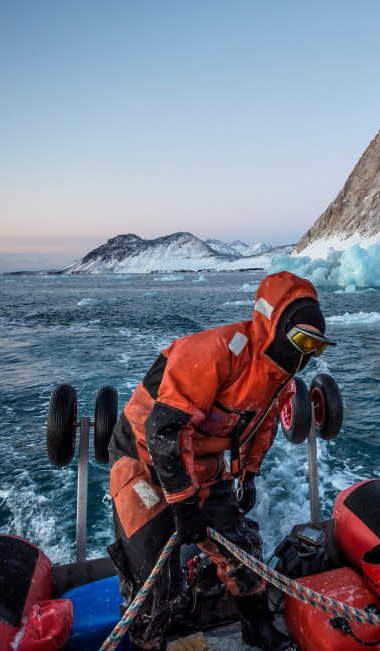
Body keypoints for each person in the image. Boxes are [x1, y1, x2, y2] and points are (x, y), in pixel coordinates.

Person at [106, 271, 334, 650]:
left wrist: (248, 476)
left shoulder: (278, 376)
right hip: (143, 458)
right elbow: (164, 430)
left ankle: (256, 627)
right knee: (154, 578)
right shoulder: (212, 353)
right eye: (303, 341)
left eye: (318, 347)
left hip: (202, 461)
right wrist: (183, 504)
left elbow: (259, 428)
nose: (307, 354)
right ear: (276, 327)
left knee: (245, 552)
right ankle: (148, 643)